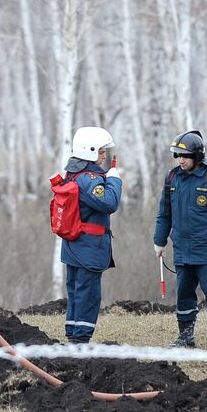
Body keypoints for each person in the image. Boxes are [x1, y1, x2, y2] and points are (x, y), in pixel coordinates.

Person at [153, 130, 207, 348]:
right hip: (182, 249)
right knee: (184, 292)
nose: (180, 160)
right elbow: (164, 212)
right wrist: (159, 241)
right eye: (177, 155)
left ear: (197, 156)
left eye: (184, 156)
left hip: (205, 248)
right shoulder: (172, 178)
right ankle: (186, 335)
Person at [57, 126, 122, 342]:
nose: (105, 156)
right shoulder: (90, 179)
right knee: (88, 295)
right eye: (101, 152)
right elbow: (108, 203)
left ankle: (73, 336)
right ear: (89, 151)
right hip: (88, 248)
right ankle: (81, 340)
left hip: (74, 246)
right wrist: (114, 180)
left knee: (76, 292)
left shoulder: (73, 173)